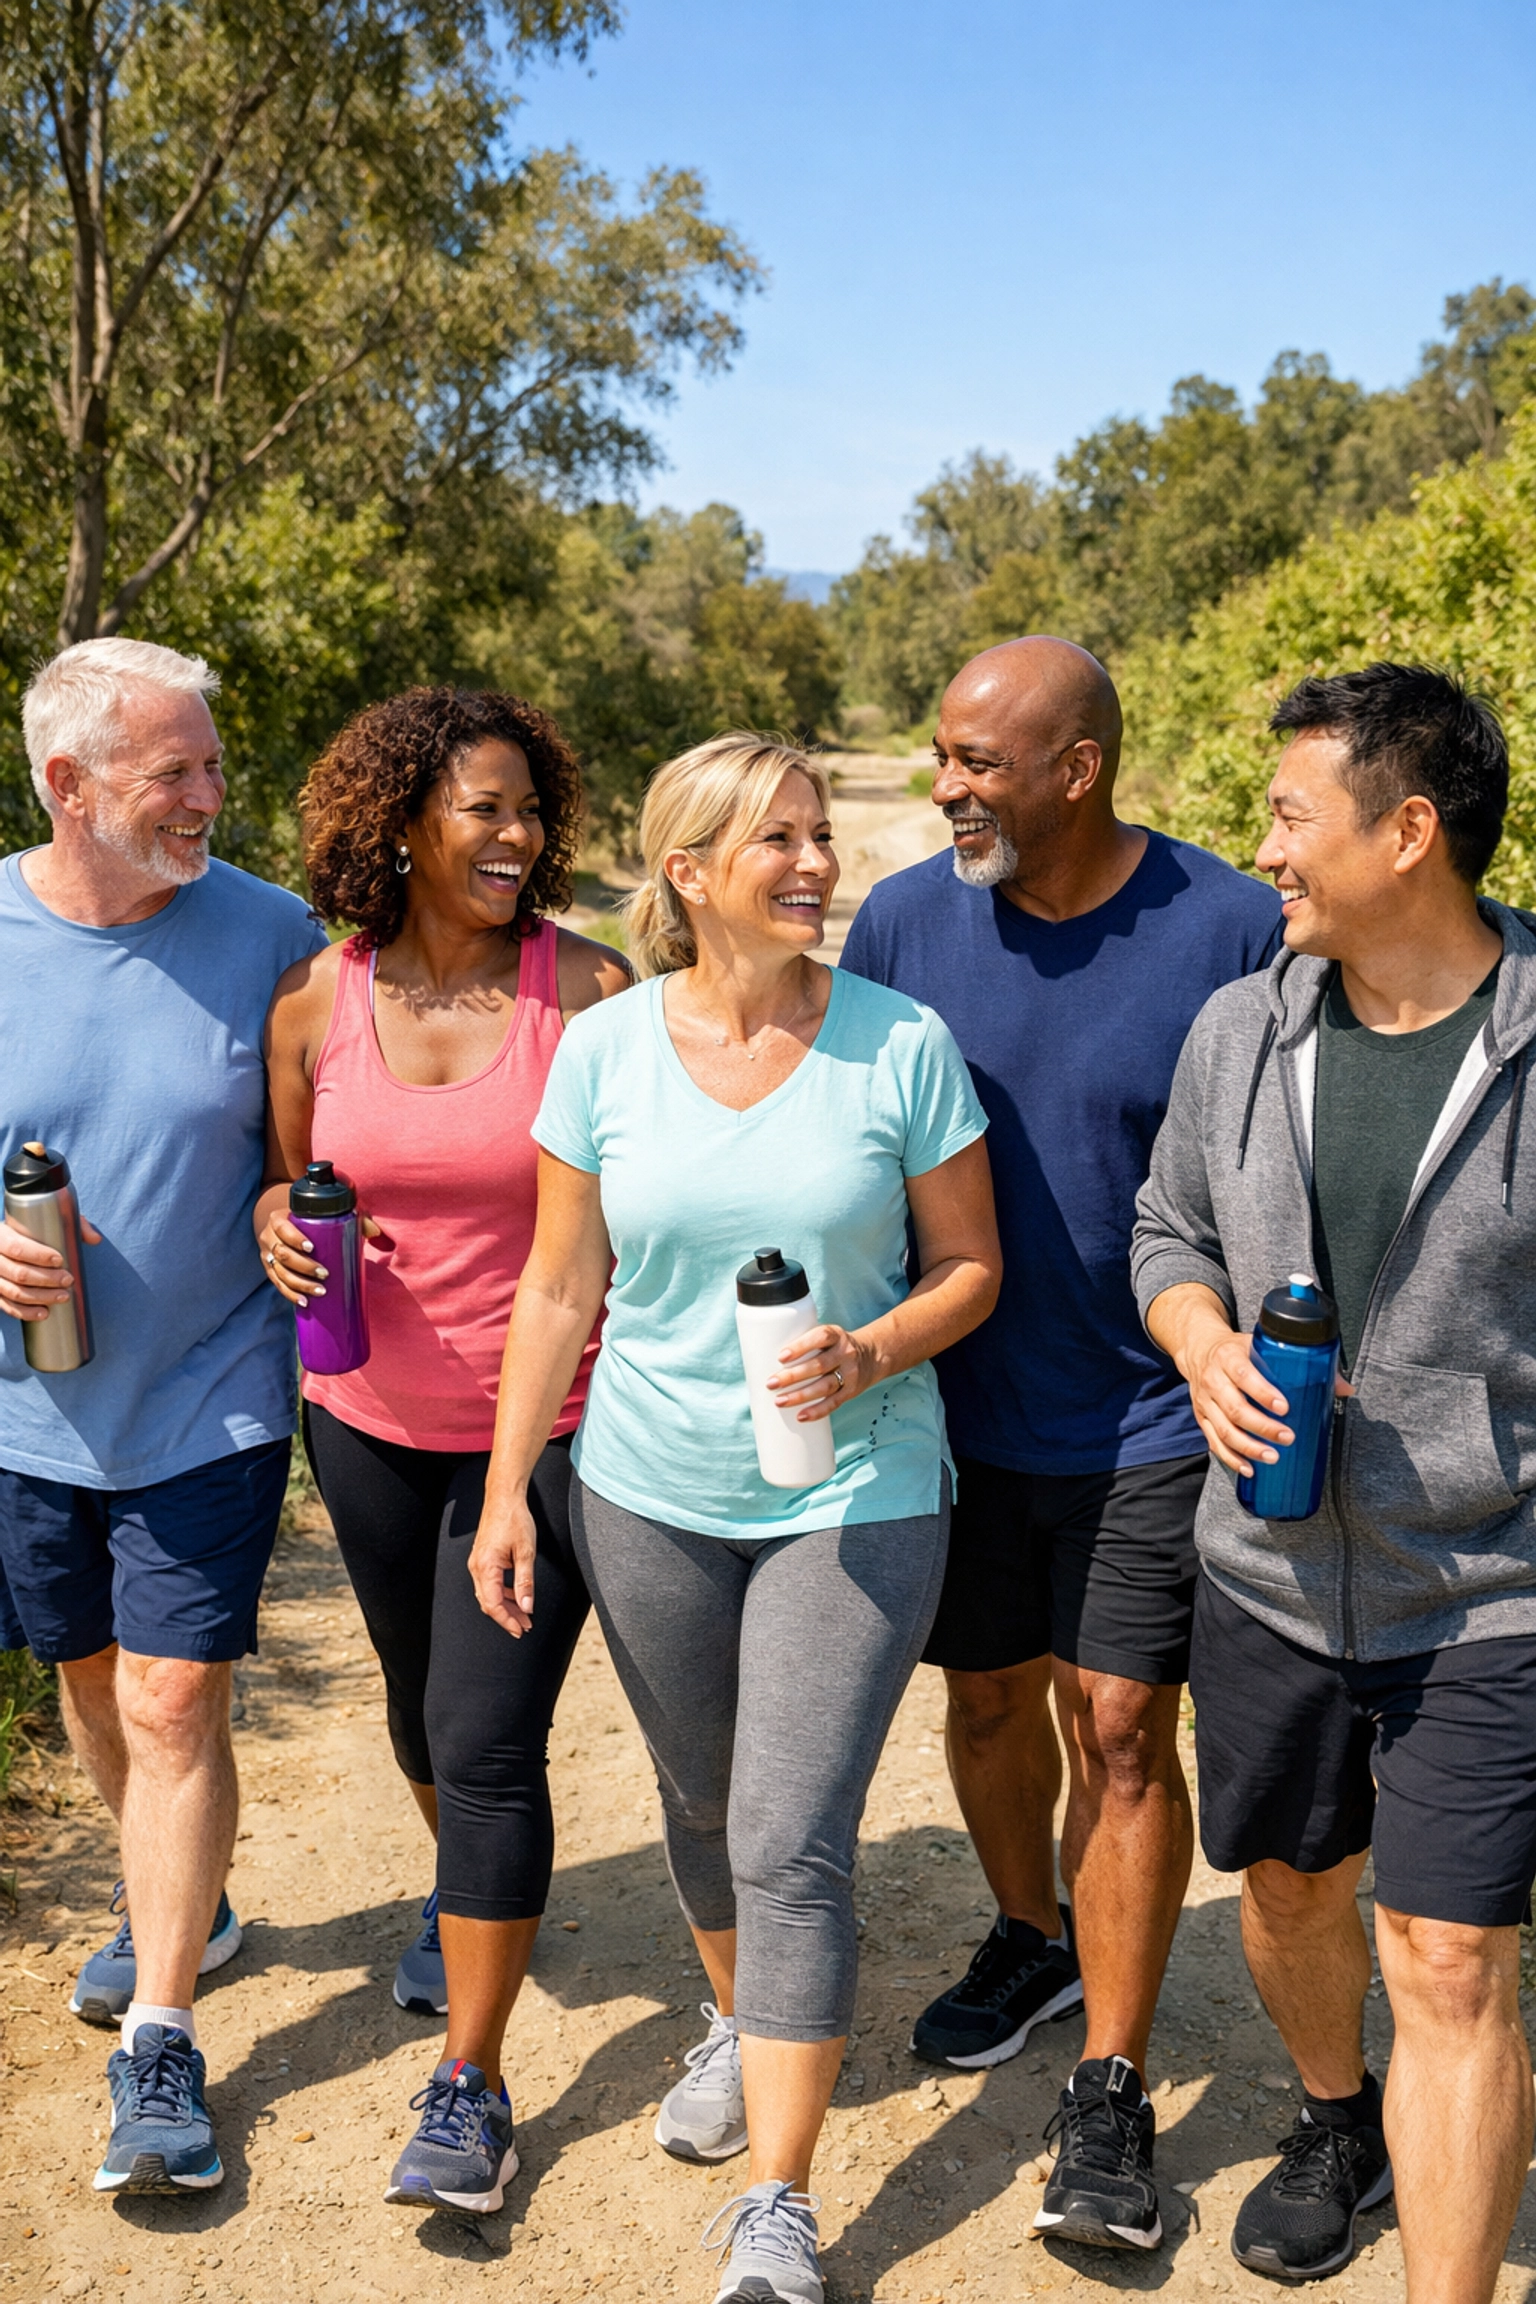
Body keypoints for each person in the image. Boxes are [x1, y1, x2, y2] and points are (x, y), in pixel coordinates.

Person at [469, 734, 1000, 2301]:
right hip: (646, 1489)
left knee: (786, 1839)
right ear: (688, 874)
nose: (819, 866)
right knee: (700, 1804)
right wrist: (510, 1488)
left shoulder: (902, 1045)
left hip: (861, 1482)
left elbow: (970, 1268)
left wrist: (872, 1348)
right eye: (780, 841)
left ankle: (778, 2202)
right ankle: (737, 2018)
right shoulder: (608, 1051)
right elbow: (561, 1286)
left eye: (823, 837)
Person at [840, 636, 1282, 2250]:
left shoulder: (1230, 924)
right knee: (983, 1697)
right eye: (939, 757)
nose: (945, 786)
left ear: (1078, 768)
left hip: (1151, 1404)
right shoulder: (902, 918)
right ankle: (1030, 1927)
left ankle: (1109, 2084)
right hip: (948, 1406)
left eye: (978, 762)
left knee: (1116, 1726)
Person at [1134, 664, 1536, 2300]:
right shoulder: (1245, 1026)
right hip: (1267, 1575)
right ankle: (1330, 2116)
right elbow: (1167, 1231)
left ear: (1410, 831)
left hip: (1491, 1587)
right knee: (1296, 1892)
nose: (1267, 849)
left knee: (1447, 1956)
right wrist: (1199, 1338)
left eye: (1294, 816)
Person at [255, 687, 627, 2208]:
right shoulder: (311, 1001)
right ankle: (465, 1901)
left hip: (547, 1429)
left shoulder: (586, 991)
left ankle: (469, 2083)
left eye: (531, 809)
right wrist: (279, 1222)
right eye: (485, 807)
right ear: (401, 818)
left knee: (483, 1740)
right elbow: (287, 1182)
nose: (517, 835)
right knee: (419, 1721)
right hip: (363, 1422)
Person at [0, 637, 327, 2195]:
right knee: (84, 1674)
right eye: (174, 773)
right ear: (68, 785)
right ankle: (179, 1898)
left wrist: (289, 1203)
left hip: (211, 1392)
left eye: (212, 764)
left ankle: (166, 2041)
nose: (211, 797)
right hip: (24, 1415)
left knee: (172, 1699)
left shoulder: (272, 933)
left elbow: (318, 1141)